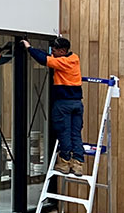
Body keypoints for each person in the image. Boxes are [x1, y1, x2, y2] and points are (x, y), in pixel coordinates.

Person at [20, 36, 84, 175]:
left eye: (55, 49)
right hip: (77, 103)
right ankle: (78, 163)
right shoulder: (73, 58)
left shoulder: (62, 62)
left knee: (64, 132)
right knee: (76, 133)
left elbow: (44, 59)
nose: (52, 51)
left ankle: (65, 163)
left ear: (62, 51)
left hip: (64, 103)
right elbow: (49, 56)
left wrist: (29, 48)